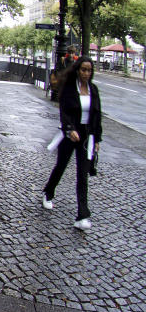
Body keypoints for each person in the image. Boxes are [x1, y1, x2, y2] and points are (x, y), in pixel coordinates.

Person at [41, 56, 101, 231]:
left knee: (82, 174)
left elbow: (97, 115)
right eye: (83, 70)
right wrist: (70, 129)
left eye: (89, 70)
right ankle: (49, 191)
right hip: (70, 134)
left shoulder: (93, 90)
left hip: (86, 135)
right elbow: (64, 112)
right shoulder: (69, 89)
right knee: (61, 166)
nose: (86, 73)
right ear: (77, 70)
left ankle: (82, 214)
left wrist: (97, 139)